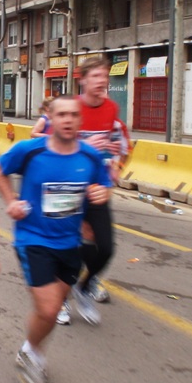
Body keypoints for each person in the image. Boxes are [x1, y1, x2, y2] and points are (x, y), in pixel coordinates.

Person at [0, 95, 112, 383]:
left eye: (74, 115)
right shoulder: (29, 151)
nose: (68, 120)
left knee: (52, 309)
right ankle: (32, 355)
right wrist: (11, 202)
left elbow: (103, 185)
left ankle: (29, 350)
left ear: (80, 120)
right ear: (51, 119)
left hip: (70, 243)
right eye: (62, 115)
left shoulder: (89, 157)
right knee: (48, 310)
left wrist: (102, 195)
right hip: (33, 239)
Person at [57, 57, 130, 326]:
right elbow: (53, 141)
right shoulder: (71, 108)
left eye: (105, 75)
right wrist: (86, 141)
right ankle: (61, 298)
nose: (102, 80)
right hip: (68, 187)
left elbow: (119, 146)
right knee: (68, 245)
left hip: (97, 186)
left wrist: (117, 166)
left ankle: (83, 287)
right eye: (96, 75)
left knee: (106, 248)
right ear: (83, 80)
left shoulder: (111, 108)